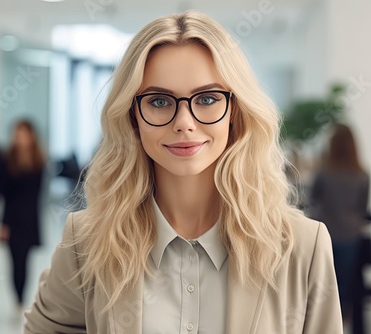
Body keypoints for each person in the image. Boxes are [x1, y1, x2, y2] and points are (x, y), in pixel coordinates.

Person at [24, 11, 343, 334]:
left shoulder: (304, 246)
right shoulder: (86, 241)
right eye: (160, 101)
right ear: (133, 115)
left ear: (235, 111)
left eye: (207, 98)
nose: (184, 123)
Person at [309, 123, 369, 329]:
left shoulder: (324, 173)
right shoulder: (362, 175)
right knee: (344, 288)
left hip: (324, 234)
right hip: (351, 237)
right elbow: (361, 208)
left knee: (321, 286)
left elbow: (312, 199)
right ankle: (341, 326)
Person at [0, 120, 46, 310]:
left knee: (25, 261)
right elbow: (5, 196)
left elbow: (37, 196)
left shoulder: (39, 161)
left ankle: (20, 299)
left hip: (29, 220)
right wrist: (2, 224)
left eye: (24, 134)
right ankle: (16, 297)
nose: (21, 138)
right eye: (18, 134)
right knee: (14, 261)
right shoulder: (7, 160)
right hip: (11, 219)